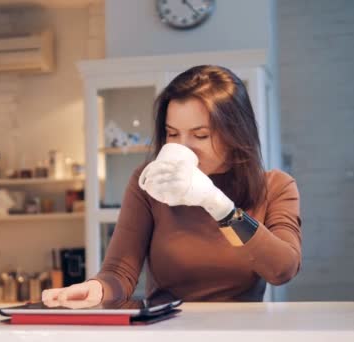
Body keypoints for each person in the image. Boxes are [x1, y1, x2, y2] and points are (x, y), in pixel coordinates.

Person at [42, 65, 302, 308]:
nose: (182, 146)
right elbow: (120, 271)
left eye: (200, 135)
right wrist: (96, 289)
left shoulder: (275, 186)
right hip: (168, 326)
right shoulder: (148, 182)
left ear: (235, 135)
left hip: (239, 330)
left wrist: (218, 205)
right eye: (172, 133)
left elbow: (282, 270)